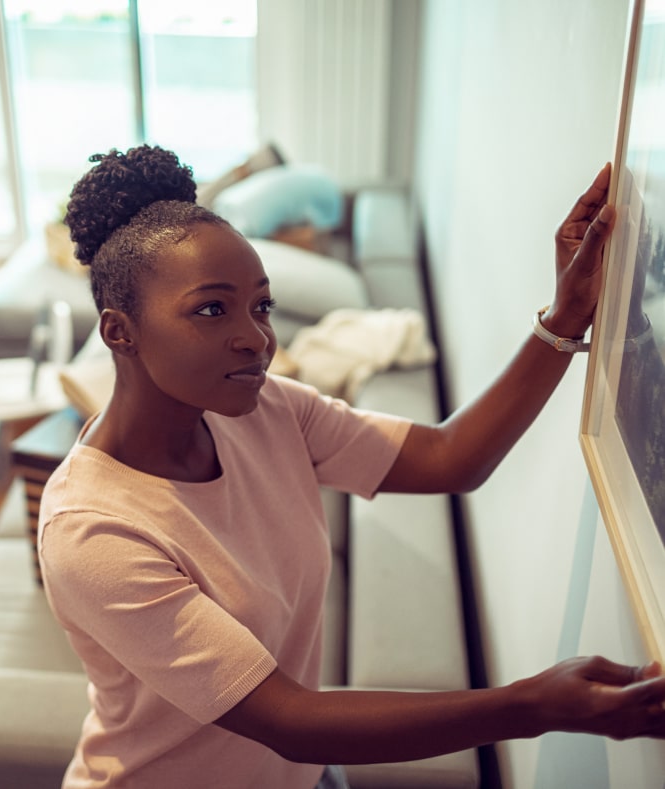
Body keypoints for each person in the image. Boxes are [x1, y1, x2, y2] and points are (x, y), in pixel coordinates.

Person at [38, 144, 665, 789]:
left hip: (304, 775)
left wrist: (565, 314)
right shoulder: (92, 531)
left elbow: (452, 457)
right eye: (211, 309)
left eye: (261, 306)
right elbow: (288, 718)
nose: (256, 338)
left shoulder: (268, 410)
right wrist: (533, 705)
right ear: (120, 332)